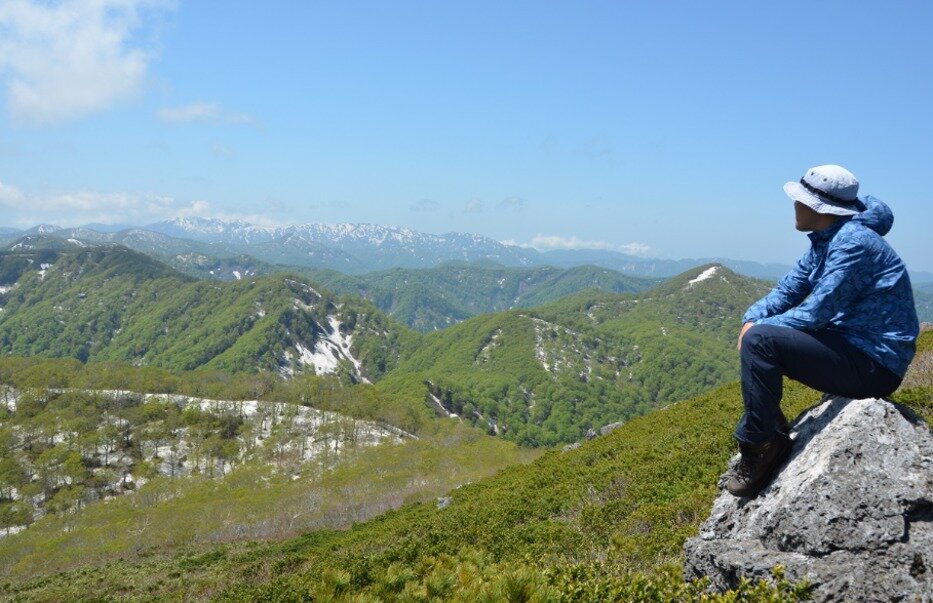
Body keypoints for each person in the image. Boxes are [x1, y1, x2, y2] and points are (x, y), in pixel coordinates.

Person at [727, 164, 919, 498]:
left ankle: (760, 444)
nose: (794, 206)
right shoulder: (826, 240)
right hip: (851, 345)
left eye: (800, 201)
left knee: (761, 341)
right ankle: (769, 428)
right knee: (758, 334)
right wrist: (751, 318)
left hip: (874, 365)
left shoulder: (854, 244)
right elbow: (788, 290)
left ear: (820, 209)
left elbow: (819, 310)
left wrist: (756, 330)